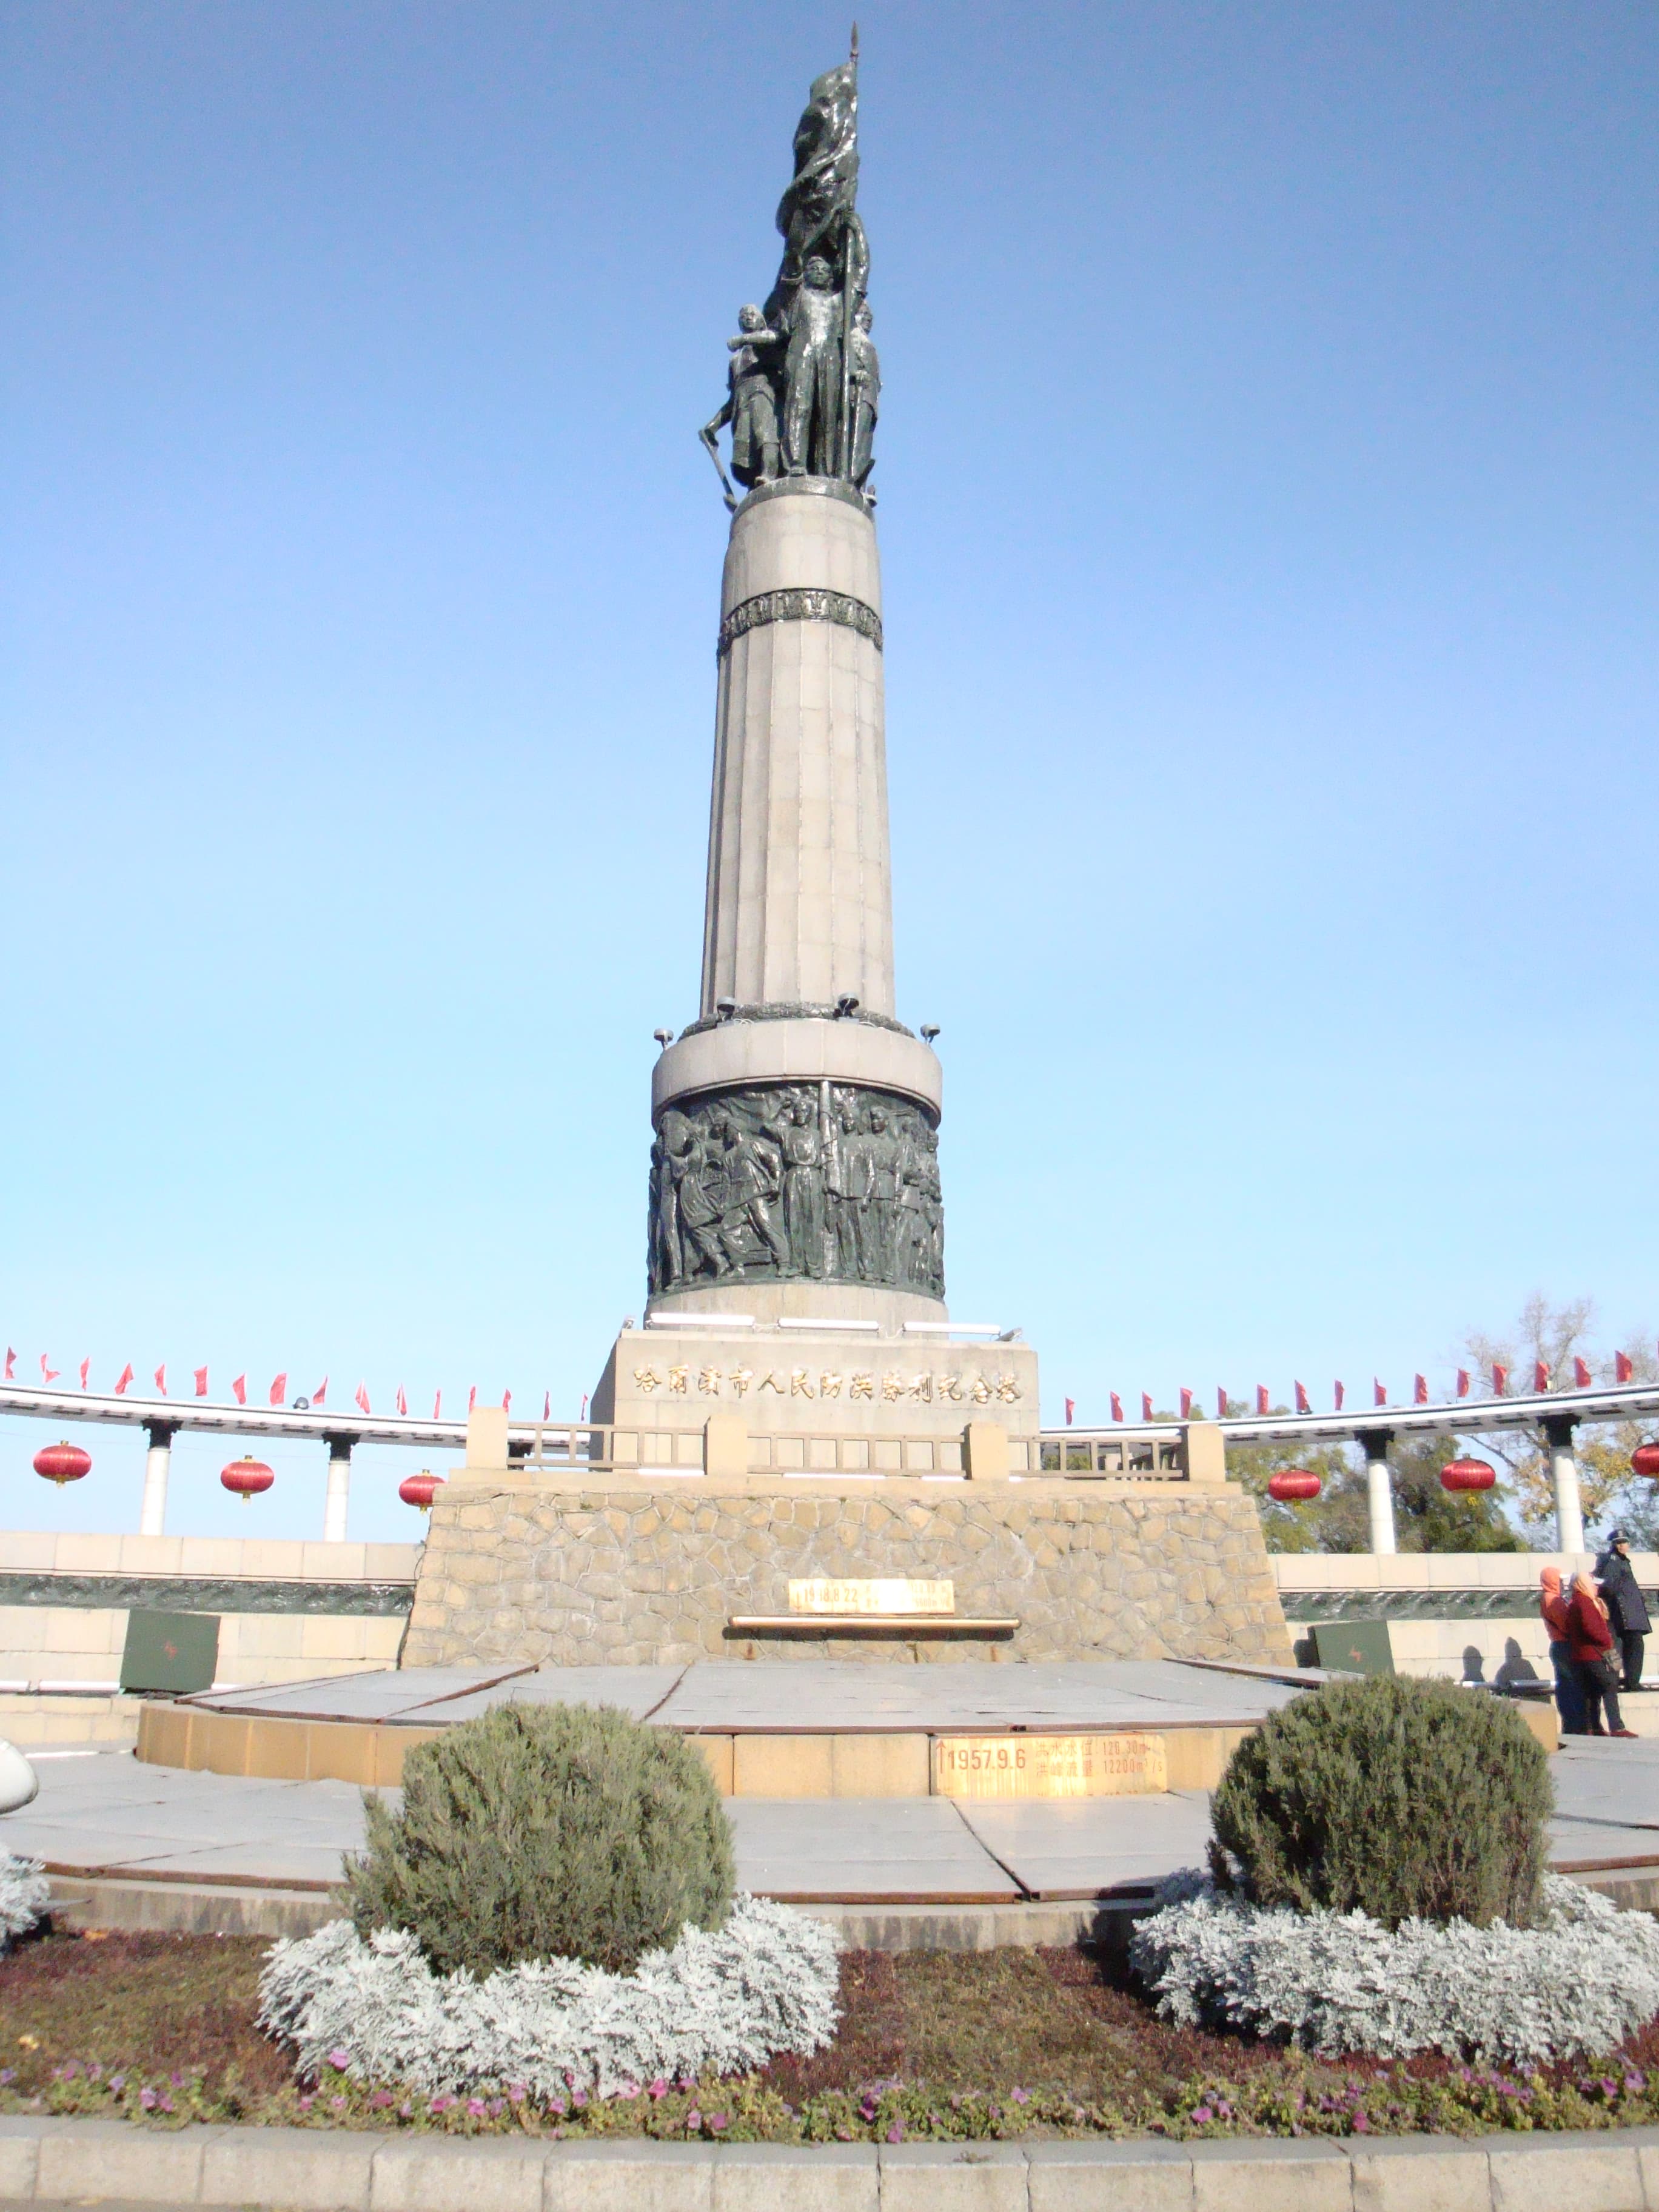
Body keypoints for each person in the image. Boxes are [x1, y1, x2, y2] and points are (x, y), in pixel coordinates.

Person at [1566, 1568, 1637, 1738]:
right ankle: (1617, 1727)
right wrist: (1607, 1640)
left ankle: (1594, 1726)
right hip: (1596, 1654)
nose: (1596, 1588)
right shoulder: (1585, 1602)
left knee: (1592, 1691)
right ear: (1584, 1584)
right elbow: (1592, 1628)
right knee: (1610, 1685)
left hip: (1584, 1655)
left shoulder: (1576, 1601)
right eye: (1592, 1584)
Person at [1595, 1527, 1651, 1692]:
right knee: (1632, 1649)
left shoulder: (1621, 1561)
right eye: (1618, 1543)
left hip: (1630, 1615)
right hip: (1625, 1616)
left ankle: (1630, 1682)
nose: (1621, 1546)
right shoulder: (1613, 1561)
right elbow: (1608, 1586)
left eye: (1623, 1542)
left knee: (1630, 1649)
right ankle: (1631, 1683)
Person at [1540, 1566, 1588, 1734]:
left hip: (1559, 1645)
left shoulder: (1549, 1598)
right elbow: (1566, 1624)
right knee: (1570, 1685)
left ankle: (1571, 1723)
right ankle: (1574, 1724)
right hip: (1564, 1645)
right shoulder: (1554, 1600)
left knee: (1565, 1685)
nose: (1561, 1583)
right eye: (1559, 1580)